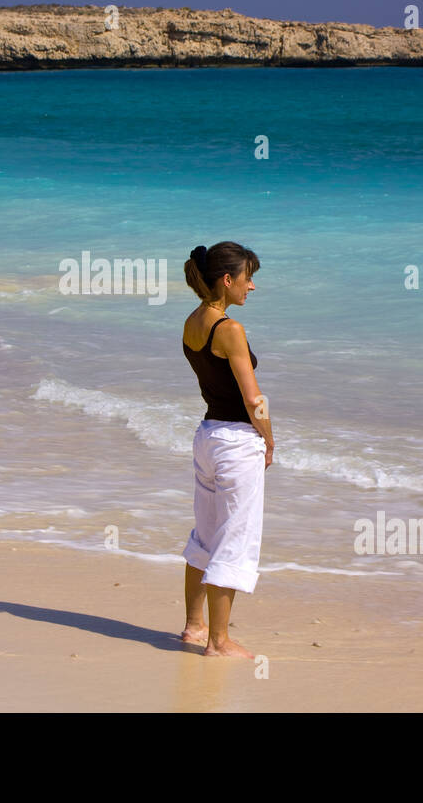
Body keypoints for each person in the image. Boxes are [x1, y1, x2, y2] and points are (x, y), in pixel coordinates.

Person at [179, 241, 272, 657]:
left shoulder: (192, 323)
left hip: (207, 437)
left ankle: (193, 626)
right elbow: (254, 401)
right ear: (227, 279)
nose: (252, 287)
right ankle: (218, 642)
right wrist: (268, 439)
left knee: (206, 535)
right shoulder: (229, 329)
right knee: (234, 539)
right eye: (247, 278)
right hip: (236, 443)